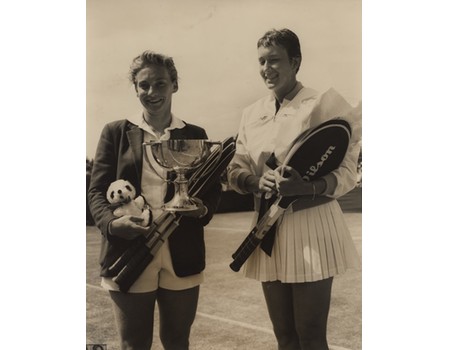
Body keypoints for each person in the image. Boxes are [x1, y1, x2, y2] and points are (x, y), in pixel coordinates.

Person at [227, 28, 361, 350]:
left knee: (311, 335)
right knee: (285, 337)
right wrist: (254, 181)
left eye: (274, 60)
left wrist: (308, 187)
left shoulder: (323, 106)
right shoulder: (251, 113)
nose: (266, 68)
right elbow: (235, 168)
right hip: (266, 229)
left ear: (296, 61)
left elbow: (347, 173)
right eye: (261, 61)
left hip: (311, 225)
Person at [88, 50, 221, 350]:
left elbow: (212, 188)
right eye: (144, 85)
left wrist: (203, 209)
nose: (152, 92)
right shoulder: (115, 132)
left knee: (177, 341)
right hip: (128, 251)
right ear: (135, 88)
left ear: (174, 85)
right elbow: (96, 191)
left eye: (160, 84)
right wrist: (113, 224)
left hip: (181, 249)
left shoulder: (195, 134)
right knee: (134, 344)